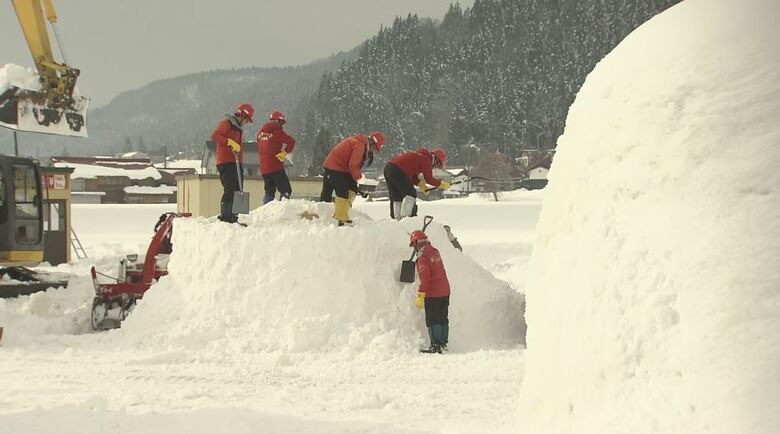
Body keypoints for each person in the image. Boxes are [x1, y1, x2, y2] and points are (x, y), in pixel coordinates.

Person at [320, 131, 385, 226]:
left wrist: (357, 184)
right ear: (372, 142)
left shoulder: (360, 142)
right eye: (375, 148)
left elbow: (353, 166)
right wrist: (360, 180)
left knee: (352, 187)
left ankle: (340, 210)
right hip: (335, 167)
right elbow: (353, 166)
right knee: (342, 191)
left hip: (338, 167)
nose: (374, 150)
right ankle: (340, 218)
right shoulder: (360, 145)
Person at [211, 103, 254, 223]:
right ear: (242, 115)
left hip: (236, 162)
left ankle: (234, 216)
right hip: (226, 161)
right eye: (247, 120)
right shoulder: (227, 123)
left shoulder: (238, 129)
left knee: (238, 188)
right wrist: (229, 141)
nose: (246, 123)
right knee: (229, 188)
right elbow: (215, 136)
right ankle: (226, 215)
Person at [410, 230, 451, 354]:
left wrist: (421, 294)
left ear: (417, 243)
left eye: (413, 245)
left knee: (433, 320)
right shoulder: (434, 251)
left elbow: (425, 278)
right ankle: (443, 343)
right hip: (445, 291)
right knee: (443, 318)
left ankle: (436, 345)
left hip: (433, 294)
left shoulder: (422, 258)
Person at [383, 147, 450, 220]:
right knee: (411, 193)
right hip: (398, 170)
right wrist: (440, 184)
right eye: (437, 165)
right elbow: (429, 178)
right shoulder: (427, 159)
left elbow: (413, 177)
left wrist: (421, 185)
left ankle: (396, 219)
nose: (435, 167)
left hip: (389, 168)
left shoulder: (419, 156)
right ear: (436, 160)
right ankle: (407, 218)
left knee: (396, 196)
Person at [258, 110, 296, 204]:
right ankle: (284, 209)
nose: (282, 125)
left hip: (264, 168)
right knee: (286, 189)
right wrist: (285, 152)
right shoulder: (277, 130)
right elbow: (291, 141)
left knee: (269, 191)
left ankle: (265, 209)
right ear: (279, 121)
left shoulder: (260, 133)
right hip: (276, 166)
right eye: (282, 123)